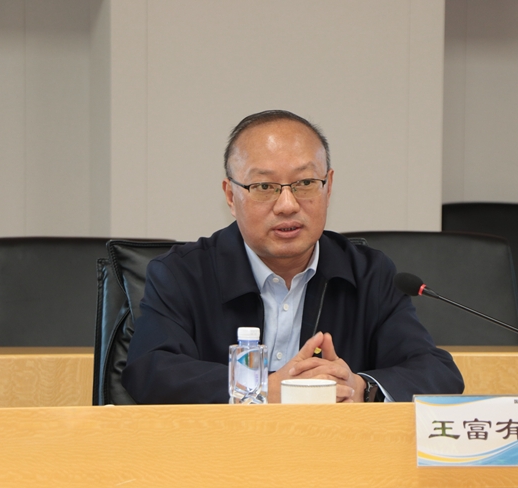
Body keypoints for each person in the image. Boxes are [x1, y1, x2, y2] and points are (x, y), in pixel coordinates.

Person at [121, 110, 464, 403]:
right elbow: (150, 370)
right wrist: (262, 390)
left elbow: (436, 371)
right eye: (264, 187)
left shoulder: (369, 274)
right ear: (230, 196)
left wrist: (360, 387)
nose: (287, 205)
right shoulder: (182, 273)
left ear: (328, 187)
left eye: (305, 183)